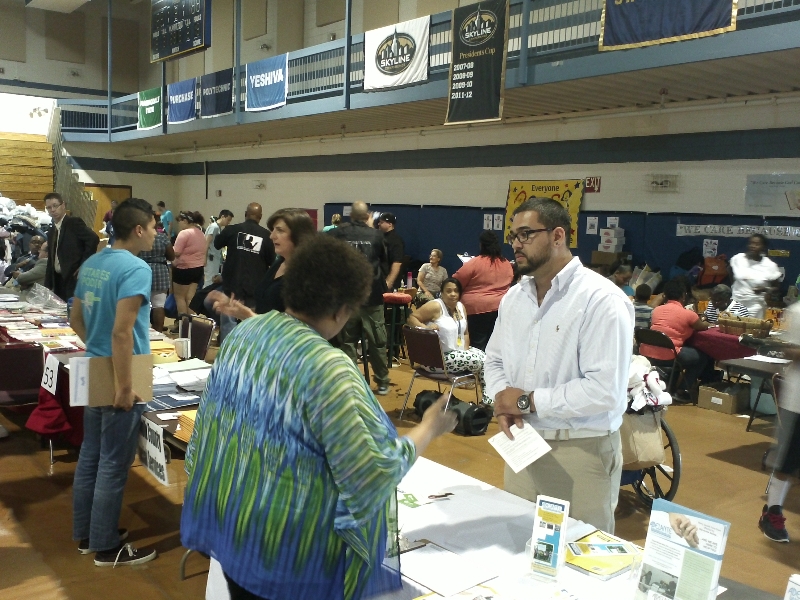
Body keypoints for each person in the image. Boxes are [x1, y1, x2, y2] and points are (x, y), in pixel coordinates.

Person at [180, 235, 457, 600]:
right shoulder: (327, 367)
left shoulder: (245, 333)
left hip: (236, 528)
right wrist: (429, 427)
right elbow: (371, 472)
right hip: (291, 557)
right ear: (341, 310)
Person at [485, 197, 633, 533]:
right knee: (519, 541)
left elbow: (604, 390)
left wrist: (526, 402)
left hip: (580, 450)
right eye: (513, 236)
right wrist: (503, 400)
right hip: (522, 441)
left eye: (526, 234)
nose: (516, 244)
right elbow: (495, 359)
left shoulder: (600, 299)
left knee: (580, 549)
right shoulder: (515, 297)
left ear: (557, 236)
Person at [69, 197, 158, 567]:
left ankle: (88, 535)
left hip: (95, 365)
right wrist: (124, 384)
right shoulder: (136, 268)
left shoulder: (94, 261)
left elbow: (75, 318)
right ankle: (107, 547)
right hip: (124, 371)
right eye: (153, 227)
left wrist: (96, 346)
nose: (155, 233)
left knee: (90, 455)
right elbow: (123, 332)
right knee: (112, 464)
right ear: (138, 229)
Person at [328, 202, 392, 395]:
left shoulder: (337, 233)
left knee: (347, 342)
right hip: (372, 297)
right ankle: (382, 382)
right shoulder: (377, 235)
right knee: (377, 342)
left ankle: (352, 382)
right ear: (367, 216)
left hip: (347, 298)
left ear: (351, 216)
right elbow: (384, 261)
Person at [209, 208, 315, 320]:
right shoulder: (279, 263)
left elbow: (292, 325)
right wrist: (239, 311)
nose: (272, 236)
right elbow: (265, 309)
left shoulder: (305, 275)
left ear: (299, 235)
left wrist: (248, 315)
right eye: (273, 230)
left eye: (280, 230)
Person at [755, 301, 800, 543]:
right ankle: (771, 512)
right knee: (787, 463)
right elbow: (791, 351)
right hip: (797, 403)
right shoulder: (798, 312)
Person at [407, 277, 490, 405]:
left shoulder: (461, 307)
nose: (453, 294)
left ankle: (487, 400)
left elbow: (465, 333)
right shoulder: (435, 306)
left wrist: (465, 351)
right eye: (448, 291)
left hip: (456, 354)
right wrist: (426, 328)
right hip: (436, 360)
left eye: (456, 291)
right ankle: (488, 400)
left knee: (487, 359)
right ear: (441, 292)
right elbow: (412, 318)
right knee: (481, 361)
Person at [639, 280, 715, 400]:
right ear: (684, 295)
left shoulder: (655, 311)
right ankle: (682, 390)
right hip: (669, 356)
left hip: (646, 353)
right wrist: (707, 321)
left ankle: (673, 384)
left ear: (665, 295)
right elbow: (703, 326)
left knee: (682, 353)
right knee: (702, 358)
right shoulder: (689, 314)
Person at [214, 203, 275, 342]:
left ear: (245, 214)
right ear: (260, 217)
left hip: (232, 284)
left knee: (228, 323)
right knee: (251, 324)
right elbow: (271, 260)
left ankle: (228, 351)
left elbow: (217, 244)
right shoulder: (267, 236)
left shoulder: (232, 230)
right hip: (255, 287)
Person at [453, 230, 514, 351]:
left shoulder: (475, 263)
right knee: (494, 347)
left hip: (476, 311)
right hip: (500, 309)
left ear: (481, 245)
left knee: (477, 347)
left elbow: (456, 282)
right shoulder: (506, 263)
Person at [43, 192, 100, 301]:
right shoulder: (52, 230)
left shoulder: (73, 223)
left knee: (70, 307)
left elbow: (93, 239)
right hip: (57, 279)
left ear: (63, 205)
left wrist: (85, 264)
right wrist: (47, 285)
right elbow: (51, 259)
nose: (53, 210)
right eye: (49, 208)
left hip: (72, 277)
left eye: (55, 206)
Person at [731, 234, 782, 319]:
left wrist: (765, 289)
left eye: (757, 244)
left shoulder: (769, 265)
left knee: (751, 327)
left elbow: (777, 288)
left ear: (763, 247)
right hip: (736, 302)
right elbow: (730, 271)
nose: (753, 246)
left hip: (755, 306)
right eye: (751, 243)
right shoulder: (738, 258)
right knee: (732, 325)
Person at [138, 215, 174, 332]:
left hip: (141, 268)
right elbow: (171, 256)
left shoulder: (139, 237)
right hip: (160, 270)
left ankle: (142, 330)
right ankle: (158, 331)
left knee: (140, 303)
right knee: (158, 304)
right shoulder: (162, 237)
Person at [170, 211, 206, 328]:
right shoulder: (200, 233)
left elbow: (176, 252)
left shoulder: (184, 233)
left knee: (180, 297)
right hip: (198, 269)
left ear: (185, 221)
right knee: (190, 298)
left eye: (179, 221)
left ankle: (183, 325)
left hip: (184, 268)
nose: (179, 224)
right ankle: (192, 325)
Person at [203, 210, 234, 288]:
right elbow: (207, 242)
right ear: (222, 216)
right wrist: (204, 258)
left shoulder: (218, 228)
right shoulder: (214, 227)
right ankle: (204, 295)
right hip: (211, 258)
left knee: (212, 280)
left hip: (214, 258)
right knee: (209, 281)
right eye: (228, 220)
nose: (228, 222)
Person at [377, 212, 405, 291]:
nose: (379, 224)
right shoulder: (380, 237)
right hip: (379, 281)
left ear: (390, 224)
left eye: (382, 222)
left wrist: (389, 283)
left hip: (388, 283)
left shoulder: (396, 241)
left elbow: (397, 262)